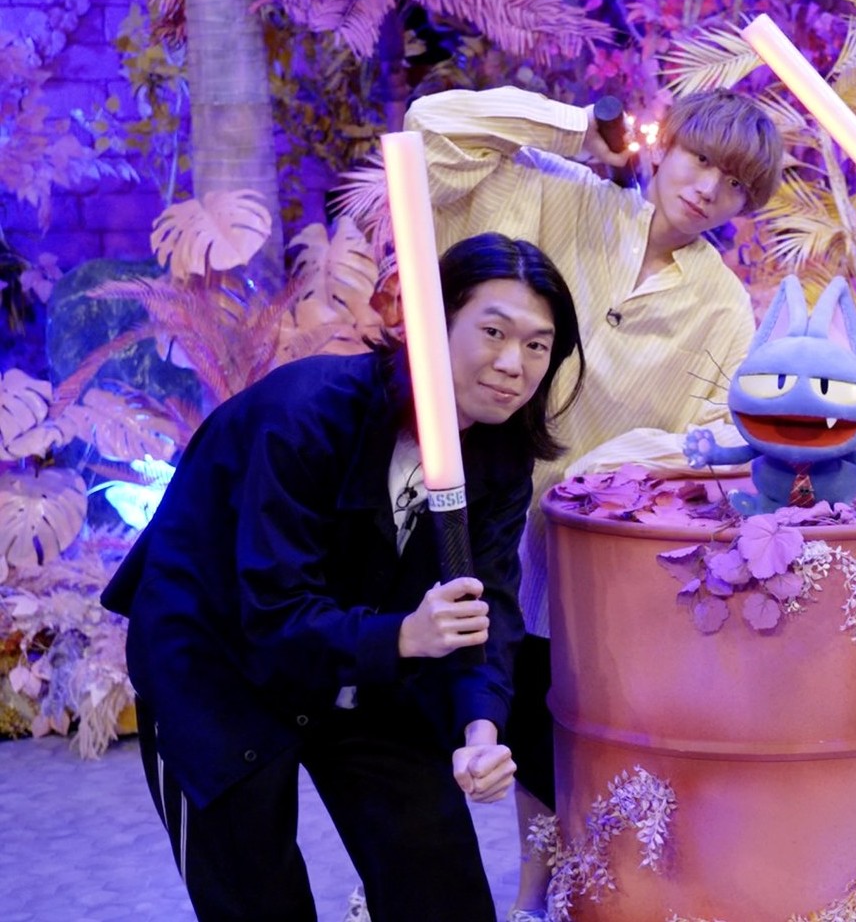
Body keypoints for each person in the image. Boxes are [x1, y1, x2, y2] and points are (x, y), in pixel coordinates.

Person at [100, 233, 584, 921]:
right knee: (254, 900)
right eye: (493, 332)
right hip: (217, 661)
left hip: (368, 655)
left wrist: (481, 728)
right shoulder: (306, 414)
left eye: (537, 345)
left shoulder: (501, 456)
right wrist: (406, 637)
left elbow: (489, 607)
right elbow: (273, 613)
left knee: (438, 885)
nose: (514, 364)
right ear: (433, 321)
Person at [405, 84, 782, 921]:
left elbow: (719, 437)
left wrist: (608, 467)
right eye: (699, 159)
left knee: (541, 736)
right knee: (421, 712)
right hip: (460, 508)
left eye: (734, 185)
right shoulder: (562, 195)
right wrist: (579, 129)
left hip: (573, 552)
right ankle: (398, 889)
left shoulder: (721, 303)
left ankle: (533, 902)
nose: (707, 189)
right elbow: (430, 129)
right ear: (663, 145)